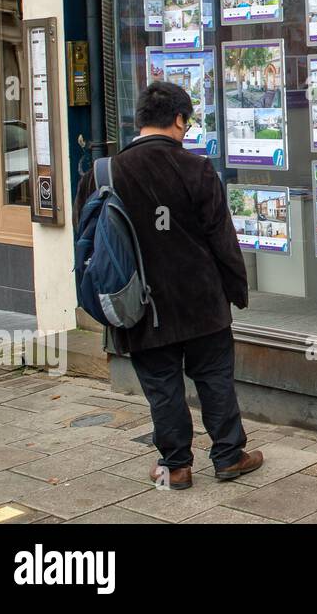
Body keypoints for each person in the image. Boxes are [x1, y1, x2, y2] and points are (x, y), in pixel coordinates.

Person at [75, 82, 262, 489]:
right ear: (178, 120)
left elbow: (88, 243)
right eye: (187, 122)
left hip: (140, 306)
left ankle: (176, 466)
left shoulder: (103, 173)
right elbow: (222, 239)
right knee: (215, 379)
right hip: (201, 301)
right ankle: (229, 456)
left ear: (140, 120)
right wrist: (236, 290)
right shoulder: (197, 169)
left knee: (162, 388)